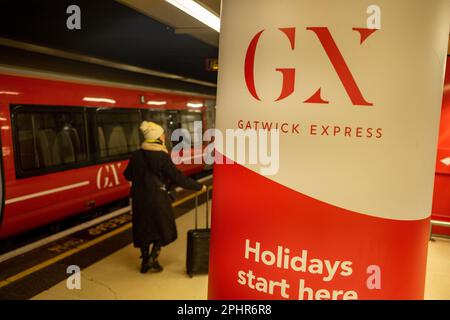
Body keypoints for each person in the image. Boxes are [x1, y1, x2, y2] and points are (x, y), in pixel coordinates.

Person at [123, 121, 206, 274]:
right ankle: (153, 257)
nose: (164, 137)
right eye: (162, 134)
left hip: (140, 199)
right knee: (164, 228)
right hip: (158, 198)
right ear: (156, 138)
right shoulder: (162, 156)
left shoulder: (136, 155)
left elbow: (127, 175)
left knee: (144, 228)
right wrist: (198, 186)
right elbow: (176, 177)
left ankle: (145, 261)